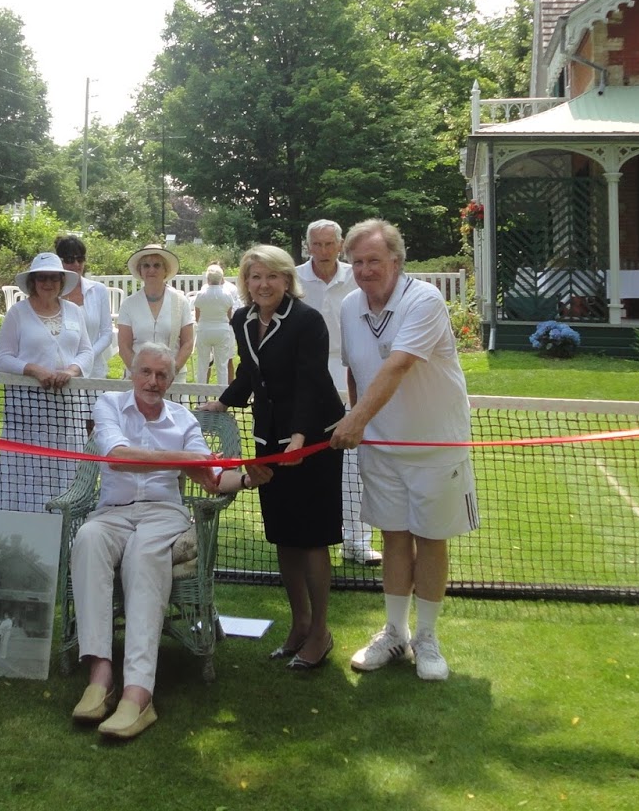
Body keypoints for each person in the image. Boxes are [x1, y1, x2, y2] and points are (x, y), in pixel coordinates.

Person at [70, 343, 264, 740]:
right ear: (132, 373)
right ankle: (101, 673)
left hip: (163, 513)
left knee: (143, 555)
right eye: (145, 372)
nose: (152, 382)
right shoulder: (108, 404)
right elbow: (117, 457)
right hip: (113, 512)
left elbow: (209, 478)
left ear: (171, 381)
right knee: (88, 538)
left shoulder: (184, 421)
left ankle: (139, 694)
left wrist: (246, 478)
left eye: (162, 375)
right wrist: (181, 459)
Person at [331, 219, 478, 683]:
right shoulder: (350, 305)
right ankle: (394, 632)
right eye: (356, 262)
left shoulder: (425, 300)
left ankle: (427, 639)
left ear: (396, 261)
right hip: (381, 448)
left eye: (374, 260)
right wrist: (359, 415)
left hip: (435, 445)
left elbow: (397, 366)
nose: (365, 270)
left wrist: (353, 420)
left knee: (431, 538)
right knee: (394, 536)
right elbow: (356, 368)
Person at [201, 245, 343, 670]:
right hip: (268, 441)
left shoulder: (307, 321)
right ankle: (299, 625)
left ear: (286, 280)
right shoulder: (242, 319)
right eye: (254, 277)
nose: (262, 285)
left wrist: (299, 436)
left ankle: (321, 632)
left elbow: (312, 381)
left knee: (312, 536)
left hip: (312, 439)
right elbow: (249, 371)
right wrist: (223, 403)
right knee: (283, 534)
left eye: (271, 277)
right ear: (245, 283)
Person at [297, 218, 380, 566]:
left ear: (340, 244)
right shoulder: (294, 278)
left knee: (353, 459)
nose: (323, 251)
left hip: (350, 370)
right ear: (308, 246)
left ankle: (357, 541)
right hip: (304, 375)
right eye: (317, 245)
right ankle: (302, 536)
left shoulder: (356, 277)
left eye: (329, 244)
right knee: (304, 456)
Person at [0, 252, 96, 512]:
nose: (48, 283)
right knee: (29, 464)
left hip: (68, 407)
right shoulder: (17, 313)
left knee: (66, 463)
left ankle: (65, 520)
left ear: (61, 281)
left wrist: (72, 371)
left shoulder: (74, 311)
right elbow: (1, 358)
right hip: (27, 408)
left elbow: (87, 351)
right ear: (33, 282)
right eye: (42, 278)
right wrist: (34, 370)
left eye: (53, 278)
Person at [116, 244, 194, 377]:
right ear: (140, 271)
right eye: (146, 266)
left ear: (165, 270)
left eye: (157, 265)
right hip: (137, 379)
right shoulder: (128, 304)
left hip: (173, 379)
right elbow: (124, 346)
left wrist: (172, 371)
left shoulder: (181, 302)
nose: (151, 270)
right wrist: (139, 374)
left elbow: (188, 343)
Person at [56, 234, 114, 379]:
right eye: (70, 259)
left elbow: (106, 333)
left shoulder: (98, 290)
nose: (76, 264)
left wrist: (84, 359)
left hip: (94, 372)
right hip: (59, 372)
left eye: (80, 259)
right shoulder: (51, 293)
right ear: (59, 261)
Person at [192, 264, 238, 385]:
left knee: (202, 364)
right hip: (222, 330)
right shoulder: (227, 294)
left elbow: (197, 315)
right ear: (221, 278)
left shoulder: (201, 294)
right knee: (222, 365)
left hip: (204, 330)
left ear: (208, 278)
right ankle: (222, 396)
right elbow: (229, 315)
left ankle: (200, 398)